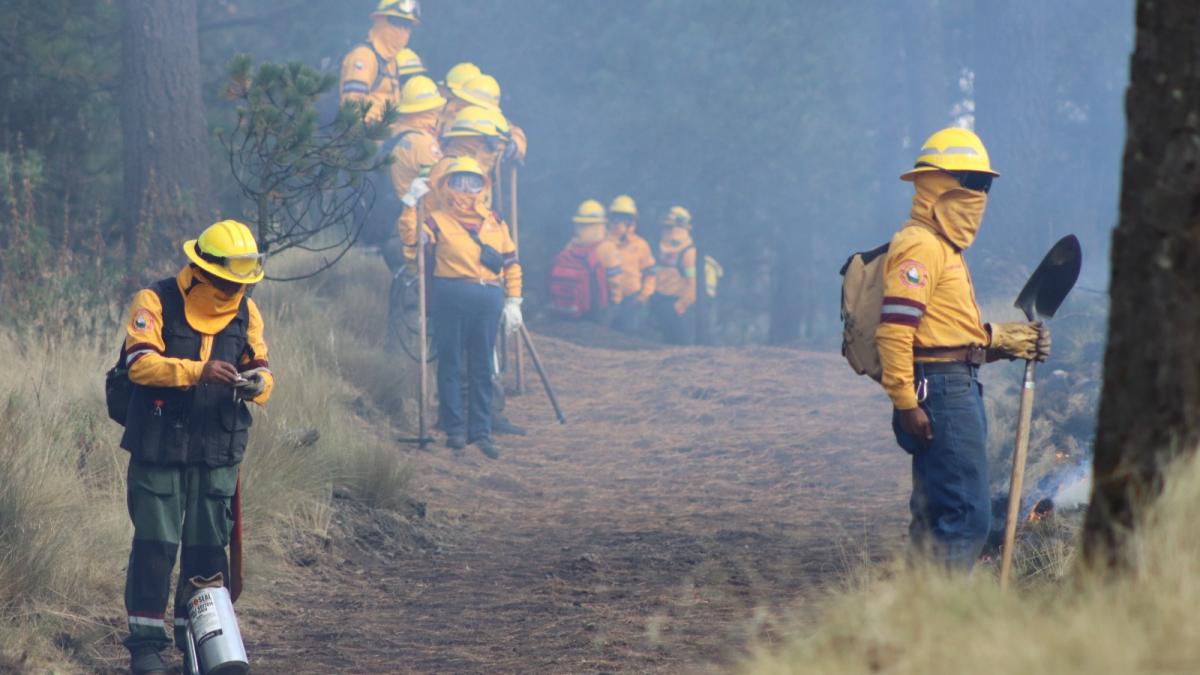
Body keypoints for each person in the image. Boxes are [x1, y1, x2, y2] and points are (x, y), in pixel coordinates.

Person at [877, 127, 1050, 570]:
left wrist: (1005, 340)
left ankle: (912, 620)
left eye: (985, 185)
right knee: (967, 516)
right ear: (940, 183)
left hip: (952, 383)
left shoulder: (941, 247)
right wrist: (905, 401)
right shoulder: (920, 245)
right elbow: (895, 331)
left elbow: (946, 333)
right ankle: (941, 626)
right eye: (973, 183)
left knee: (937, 516)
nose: (980, 195)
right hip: (942, 391)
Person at [120, 220, 274, 674]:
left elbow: (264, 370)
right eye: (229, 280)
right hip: (159, 446)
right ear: (203, 269)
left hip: (217, 449)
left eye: (243, 282)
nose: (234, 290)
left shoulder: (248, 312)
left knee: (208, 553)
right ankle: (146, 648)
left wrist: (256, 384)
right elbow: (139, 364)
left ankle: (200, 646)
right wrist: (199, 371)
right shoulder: (155, 300)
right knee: (155, 548)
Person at [418, 156, 522, 459]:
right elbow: (413, 245)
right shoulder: (434, 219)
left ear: (483, 185)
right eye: (459, 180)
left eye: (473, 181)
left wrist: (514, 299)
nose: (466, 187)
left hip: (489, 298)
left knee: (482, 366)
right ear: (447, 184)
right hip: (450, 295)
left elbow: (511, 262)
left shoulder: (495, 221)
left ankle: (481, 430)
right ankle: (455, 429)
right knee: (450, 363)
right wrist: (412, 206)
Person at [382, 75, 446, 343]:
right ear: (431, 110)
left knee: (403, 290)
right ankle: (408, 366)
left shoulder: (395, 135)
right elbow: (442, 184)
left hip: (393, 228)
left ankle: (393, 355)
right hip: (413, 226)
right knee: (415, 296)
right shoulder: (424, 144)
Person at [339, 0, 422, 123]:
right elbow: (352, 108)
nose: (402, 31)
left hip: (383, 137)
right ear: (380, 21)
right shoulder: (364, 56)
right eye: (396, 23)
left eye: (407, 26)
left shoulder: (391, 62)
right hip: (362, 138)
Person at [548, 199, 622, 321]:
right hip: (597, 308)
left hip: (569, 308)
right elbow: (615, 281)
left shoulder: (571, 245)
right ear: (601, 224)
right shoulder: (607, 248)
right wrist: (616, 300)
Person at [606, 195, 656, 333]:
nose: (619, 222)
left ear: (632, 221)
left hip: (632, 301)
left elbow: (650, 273)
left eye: (625, 218)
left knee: (627, 337)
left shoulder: (641, 245)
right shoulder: (603, 243)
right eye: (617, 217)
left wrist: (643, 296)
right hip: (606, 300)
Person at [649, 206, 697, 345]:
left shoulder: (689, 253)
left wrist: (680, 305)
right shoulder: (660, 250)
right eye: (667, 228)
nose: (670, 232)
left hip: (678, 307)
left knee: (680, 345)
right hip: (660, 302)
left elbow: (692, 284)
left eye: (675, 228)